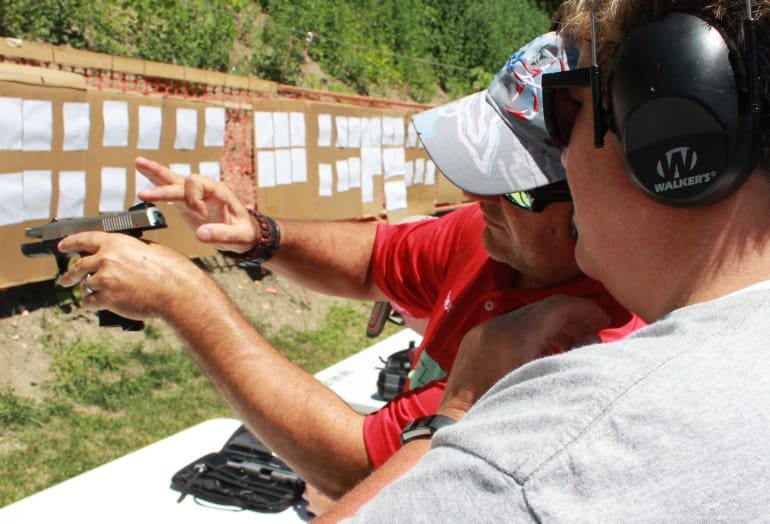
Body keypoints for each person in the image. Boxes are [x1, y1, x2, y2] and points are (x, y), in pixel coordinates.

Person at [58, 33, 641, 506]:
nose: (476, 197)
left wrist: (184, 297)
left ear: (597, 196)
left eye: (512, 189)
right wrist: (259, 235)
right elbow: (374, 258)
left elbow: (363, 471)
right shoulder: (497, 236)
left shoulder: (583, 351)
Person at [315, 0, 770, 520]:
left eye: (569, 112)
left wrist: (457, 415)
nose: (566, 155)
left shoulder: (544, 460)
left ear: (663, 136)